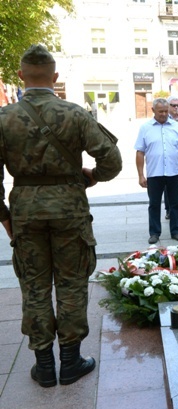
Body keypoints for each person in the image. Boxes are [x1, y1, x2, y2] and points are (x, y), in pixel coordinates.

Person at [0, 45, 122, 387]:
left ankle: (44, 366)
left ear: (21, 76)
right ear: (55, 78)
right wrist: (91, 177)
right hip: (70, 211)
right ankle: (70, 362)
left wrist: (8, 220)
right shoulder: (75, 114)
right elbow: (112, 163)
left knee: (35, 288)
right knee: (71, 284)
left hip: (25, 213)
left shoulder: (4, 118)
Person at [135, 98, 178, 245]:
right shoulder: (145, 128)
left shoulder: (176, 127)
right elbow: (140, 152)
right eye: (160, 111)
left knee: (176, 203)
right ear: (153, 111)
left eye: (166, 111)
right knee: (154, 204)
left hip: (174, 172)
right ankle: (154, 233)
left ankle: (176, 231)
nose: (164, 114)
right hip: (154, 173)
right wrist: (140, 175)